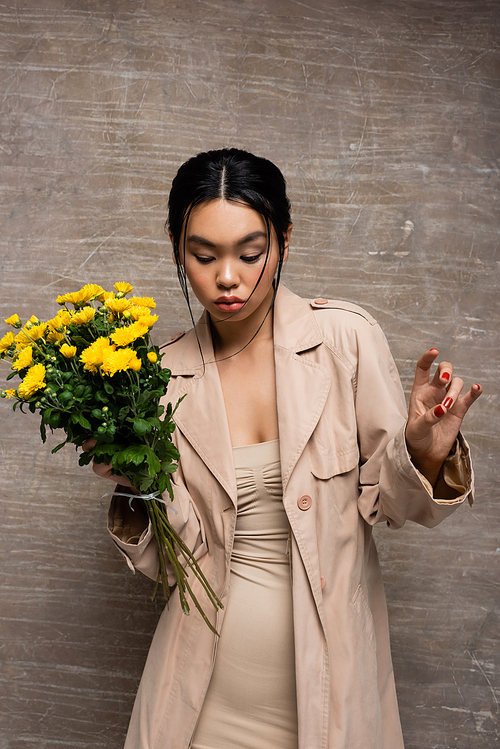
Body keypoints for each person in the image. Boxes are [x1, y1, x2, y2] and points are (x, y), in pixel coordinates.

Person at [90, 148, 481, 749]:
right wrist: (133, 483)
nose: (227, 277)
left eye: (250, 254)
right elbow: (174, 566)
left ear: (285, 241)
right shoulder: (158, 378)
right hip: (198, 707)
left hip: (330, 701)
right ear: (176, 248)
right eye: (203, 255)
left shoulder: (344, 341)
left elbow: (396, 508)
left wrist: (421, 451)